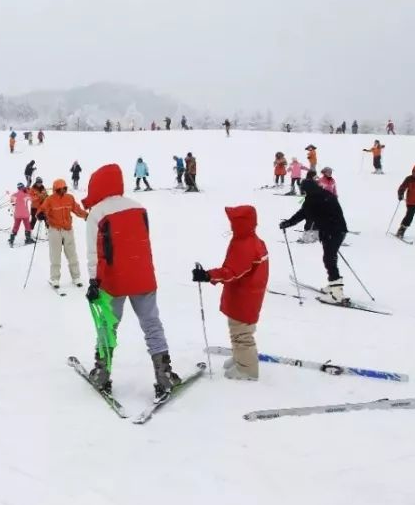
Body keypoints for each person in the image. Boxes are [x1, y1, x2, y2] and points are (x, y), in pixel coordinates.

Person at [82, 164, 179, 398]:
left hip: (113, 280)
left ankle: (102, 372)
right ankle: (164, 373)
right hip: (142, 275)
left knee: (108, 326)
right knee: (151, 323)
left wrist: (94, 282)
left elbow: (95, 252)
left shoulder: (97, 213)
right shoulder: (139, 207)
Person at [192, 206, 269, 381]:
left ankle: (247, 369)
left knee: (242, 333)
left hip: (245, 296)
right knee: (238, 328)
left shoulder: (246, 245)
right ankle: (240, 358)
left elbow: (232, 271)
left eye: (234, 223)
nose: (231, 226)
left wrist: (207, 275)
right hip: (244, 294)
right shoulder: (249, 240)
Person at [279, 177, 349, 302]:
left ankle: (336, 294)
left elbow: (302, 214)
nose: (303, 192)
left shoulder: (313, 200)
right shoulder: (326, 194)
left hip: (331, 232)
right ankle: (334, 285)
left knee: (329, 260)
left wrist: (288, 223)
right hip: (339, 231)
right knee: (330, 258)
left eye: (303, 190)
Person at [39, 178, 87, 288]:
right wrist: (40, 214)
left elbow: (77, 209)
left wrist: (86, 215)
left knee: (72, 254)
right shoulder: (50, 199)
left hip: (68, 230)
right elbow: (42, 209)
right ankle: (55, 279)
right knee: (55, 255)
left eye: (64, 188)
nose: (63, 191)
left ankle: (76, 277)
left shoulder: (69, 198)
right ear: (55, 189)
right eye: (60, 189)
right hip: (55, 230)